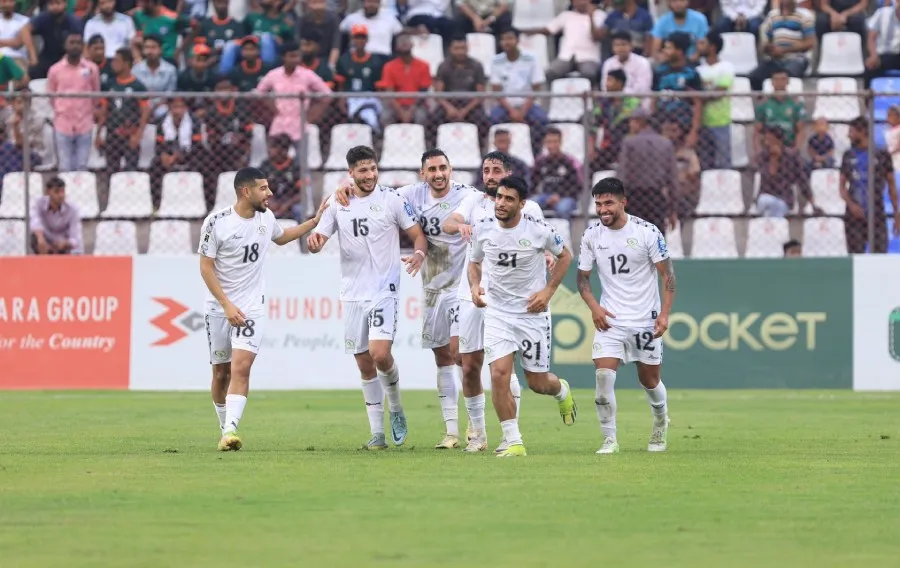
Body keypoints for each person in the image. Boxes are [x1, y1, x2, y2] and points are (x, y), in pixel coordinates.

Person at [307, 145, 427, 450]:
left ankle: (396, 407)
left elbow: (418, 234)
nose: (370, 175)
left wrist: (418, 254)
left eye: (373, 168)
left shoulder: (392, 199)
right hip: (352, 293)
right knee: (363, 363)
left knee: (380, 354)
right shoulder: (338, 202)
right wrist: (314, 242)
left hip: (384, 289)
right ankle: (377, 434)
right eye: (363, 170)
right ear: (351, 173)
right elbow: (318, 239)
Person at [200, 167, 327, 452]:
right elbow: (206, 268)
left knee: (241, 367)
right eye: (263, 188)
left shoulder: (266, 218)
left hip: (251, 308)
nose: (270, 193)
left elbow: (282, 237)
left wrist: (314, 222)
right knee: (220, 373)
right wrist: (226, 305)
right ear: (246, 192)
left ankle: (231, 430)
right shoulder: (216, 222)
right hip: (219, 308)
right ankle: (224, 427)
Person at [442, 151, 546, 453]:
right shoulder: (474, 201)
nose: (490, 175)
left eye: (496, 170)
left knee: (502, 368)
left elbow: (543, 241)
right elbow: (449, 222)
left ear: (508, 174)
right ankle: (477, 432)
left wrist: (548, 258)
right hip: (472, 291)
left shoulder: (530, 208)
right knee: (465, 361)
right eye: (486, 170)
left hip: (508, 297)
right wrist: (460, 226)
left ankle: (509, 433)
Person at [468, 175, 577, 457]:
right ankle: (513, 440)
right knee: (499, 375)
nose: (501, 203)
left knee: (538, 383)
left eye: (509, 199)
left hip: (531, 315)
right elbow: (474, 262)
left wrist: (548, 291)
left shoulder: (539, 230)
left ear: (522, 204)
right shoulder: (483, 228)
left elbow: (565, 256)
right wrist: (474, 286)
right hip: (498, 313)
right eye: (499, 197)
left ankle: (561, 391)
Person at [576, 177, 674, 454]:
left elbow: (668, 275)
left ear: (623, 202)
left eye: (608, 203)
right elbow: (582, 278)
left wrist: (664, 315)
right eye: (598, 204)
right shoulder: (591, 235)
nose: (603, 209)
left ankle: (660, 422)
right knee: (603, 377)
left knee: (650, 381)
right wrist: (595, 308)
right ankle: (610, 439)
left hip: (645, 320)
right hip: (611, 321)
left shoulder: (647, 232)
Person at [839, 117, 900, 253]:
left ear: (862, 132)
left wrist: (896, 212)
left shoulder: (882, 155)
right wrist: (851, 205)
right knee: (855, 255)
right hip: (854, 216)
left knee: (880, 254)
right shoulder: (848, 155)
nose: (849, 135)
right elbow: (841, 187)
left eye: (852, 131)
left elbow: (891, 185)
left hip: (877, 213)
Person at [47, 33, 100, 173]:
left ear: (83, 46)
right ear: (65, 45)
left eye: (78, 43)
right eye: (71, 42)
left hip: (85, 122)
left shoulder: (92, 68)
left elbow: (96, 93)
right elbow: (51, 95)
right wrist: (62, 110)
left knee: (82, 166)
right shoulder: (55, 70)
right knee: (65, 166)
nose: (75, 46)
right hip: (63, 123)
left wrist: (87, 110)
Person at [30, 176, 82, 255]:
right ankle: (43, 260)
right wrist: (40, 238)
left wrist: (66, 243)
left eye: (63, 191)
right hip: (46, 240)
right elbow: (35, 221)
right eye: (56, 192)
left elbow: (76, 237)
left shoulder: (72, 209)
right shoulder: (39, 203)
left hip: (63, 243)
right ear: (48, 192)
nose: (61, 195)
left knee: (73, 249)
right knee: (35, 238)